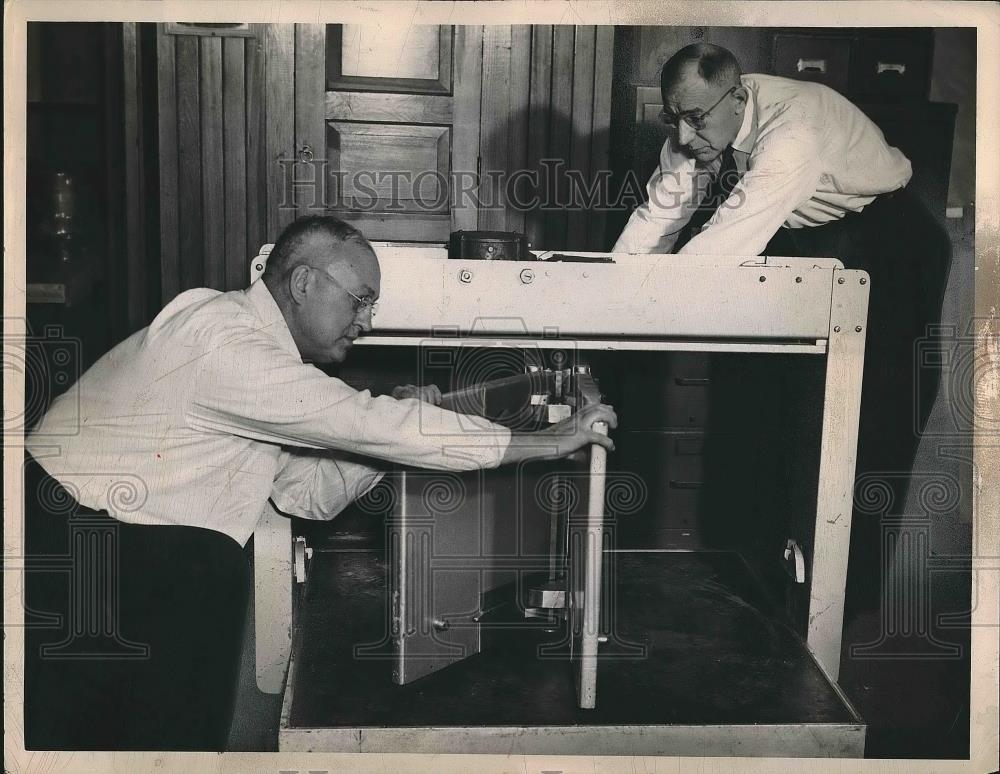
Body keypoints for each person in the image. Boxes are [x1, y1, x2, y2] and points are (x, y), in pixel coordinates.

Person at [23, 215, 617, 751]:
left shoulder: (251, 350)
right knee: (103, 739)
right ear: (304, 283)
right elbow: (359, 421)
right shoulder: (226, 341)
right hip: (88, 545)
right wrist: (547, 442)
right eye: (360, 299)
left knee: (163, 736)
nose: (366, 320)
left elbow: (303, 492)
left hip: (131, 544)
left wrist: (380, 449)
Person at [615, 43, 952, 612]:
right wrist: (609, 293)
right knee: (791, 410)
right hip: (814, 237)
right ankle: (787, 582)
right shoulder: (698, 121)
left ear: (738, 97)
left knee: (874, 421)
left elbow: (720, 252)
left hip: (891, 245)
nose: (680, 136)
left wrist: (641, 310)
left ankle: (845, 605)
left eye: (693, 120)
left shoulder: (794, 128)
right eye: (671, 117)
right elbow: (656, 217)